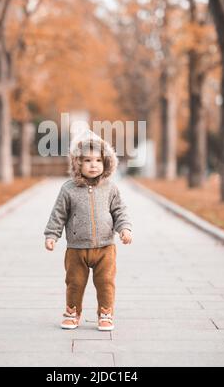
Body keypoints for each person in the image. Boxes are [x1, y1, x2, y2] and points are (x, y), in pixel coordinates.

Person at [44, 130, 133, 331]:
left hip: (105, 248)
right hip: (76, 248)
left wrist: (124, 229)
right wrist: (52, 235)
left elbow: (120, 210)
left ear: (107, 163)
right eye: (87, 160)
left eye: (98, 161)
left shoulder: (110, 188)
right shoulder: (68, 189)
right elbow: (58, 214)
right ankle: (72, 312)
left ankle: (106, 313)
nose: (94, 165)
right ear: (77, 163)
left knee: (106, 283)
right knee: (74, 282)